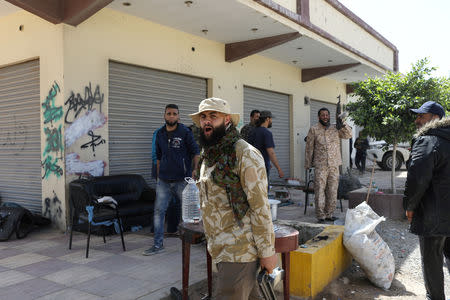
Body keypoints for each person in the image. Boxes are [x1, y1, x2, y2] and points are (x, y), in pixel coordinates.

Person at [190, 97, 277, 299]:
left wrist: (267, 251)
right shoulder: (208, 154)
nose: (207, 121)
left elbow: (259, 206)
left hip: (240, 250)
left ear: (227, 119)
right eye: (203, 117)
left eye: (214, 116)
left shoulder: (244, 153)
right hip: (219, 247)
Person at [403, 101, 450, 300]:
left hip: (434, 215)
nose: (417, 120)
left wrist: (409, 206)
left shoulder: (428, 140)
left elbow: (417, 179)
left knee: (432, 260)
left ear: (435, 118)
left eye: (421, 116)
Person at [143, 104, 200, 255]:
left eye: (174, 114)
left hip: (182, 179)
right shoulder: (160, 133)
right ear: (164, 116)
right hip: (163, 180)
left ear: (178, 116)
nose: (171, 116)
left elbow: (195, 152)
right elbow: (159, 157)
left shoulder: (185, 132)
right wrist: (157, 175)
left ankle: (193, 241)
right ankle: (157, 245)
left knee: (189, 211)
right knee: (159, 211)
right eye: (169, 113)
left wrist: (195, 169)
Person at [305, 107, 352, 223]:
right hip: (320, 165)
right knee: (319, 190)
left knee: (332, 190)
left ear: (329, 116)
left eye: (327, 115)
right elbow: (309, 148)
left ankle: (329, 214)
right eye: (323, 115)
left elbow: (348, 135)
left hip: (334, 165)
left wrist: (343, 123)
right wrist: (307, 163)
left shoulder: (336, 128)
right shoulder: (314, 129)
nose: (325, 117)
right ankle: (320, 215)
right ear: (319, 117)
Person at [248, 110, 284, 182]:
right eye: (271, 119)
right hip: (262, 167)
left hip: (252, 165)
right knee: (263, 190)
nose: (271, 121)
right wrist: (279, 169)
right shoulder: (267, 133)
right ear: (267, 119)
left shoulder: (253, 131)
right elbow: (271, 153)